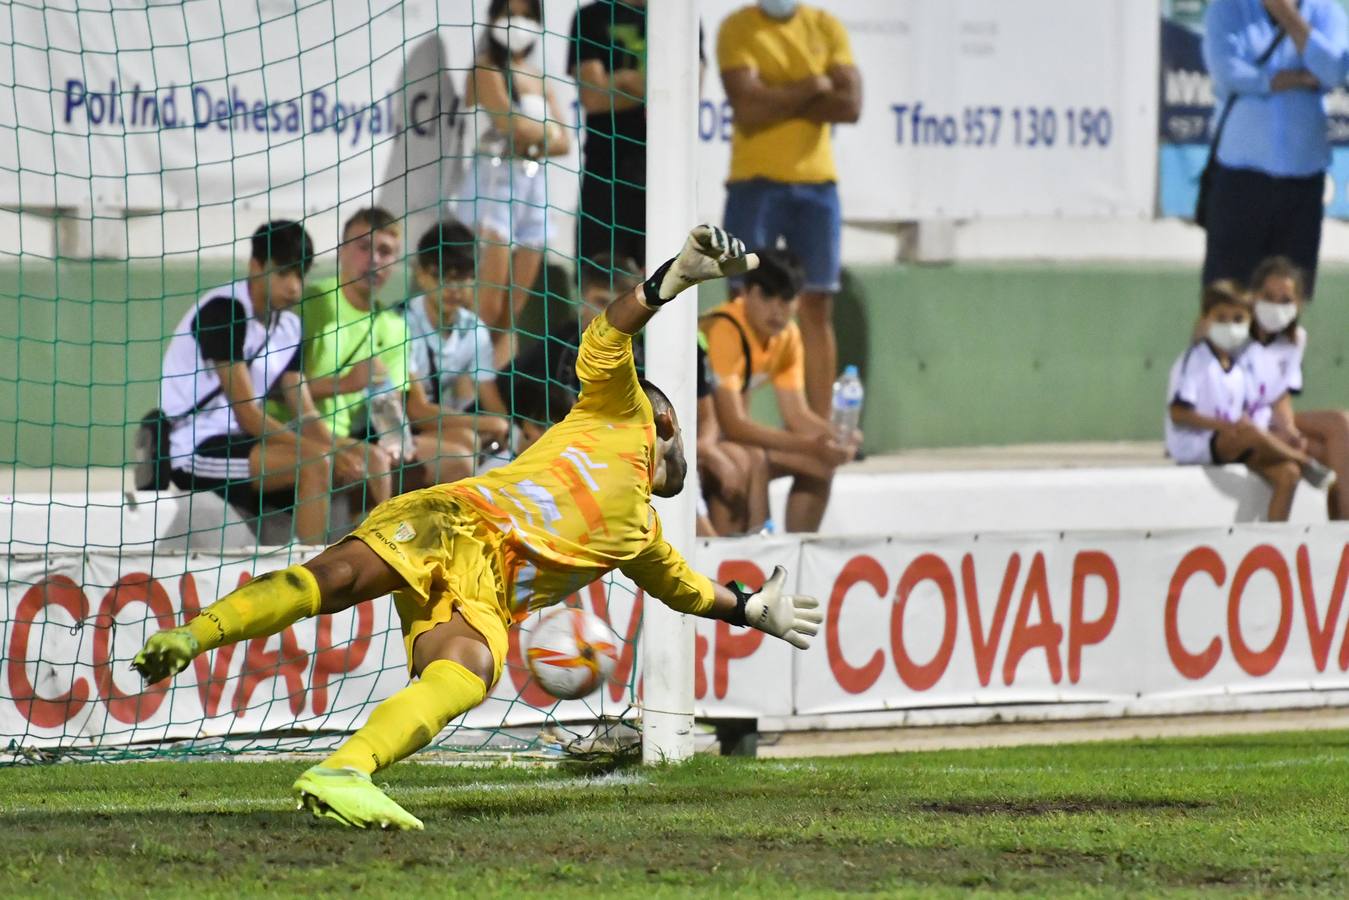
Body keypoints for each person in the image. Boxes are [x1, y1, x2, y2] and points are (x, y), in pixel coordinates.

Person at [132, 225, 823, 831]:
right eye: (684, 438)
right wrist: (670, 280)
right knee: (336, 578)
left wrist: (753, 607)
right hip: (457, 516)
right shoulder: (614, 410)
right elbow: (609, 332)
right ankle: (192, 636)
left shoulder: (640, 534)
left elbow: (688, 592)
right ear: (665, 422)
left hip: (483, 591)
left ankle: (345, 770)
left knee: (466, 670)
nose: (686, 458)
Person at [159, 221, 364, 544]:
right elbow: (247, 415)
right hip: (196, 445)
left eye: (300, 274)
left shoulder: (290, 327)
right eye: (283, 273)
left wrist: (339, 448)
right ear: (256, 266)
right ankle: (311, 578)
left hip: (246, 445)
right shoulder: (224, 311)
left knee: (372, 460)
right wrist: (323, 451)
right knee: (314, 463)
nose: (294, 287)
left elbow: (305, 411)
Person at [718, 0, 862, 417]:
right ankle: (736, 421)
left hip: (817, 186)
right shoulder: (738, 27)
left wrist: (773, 96)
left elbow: (850, 104)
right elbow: (747, 108)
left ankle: (818, 425)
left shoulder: (825, 27)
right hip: (753, 182)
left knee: (816, 307)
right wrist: (811, 87)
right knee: (744, 302)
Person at [701, 249, 856, 533]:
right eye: (767, 296)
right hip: (697, 441)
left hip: (724, 439)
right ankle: (746, 555)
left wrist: (836, 436)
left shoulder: (787, 336)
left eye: (786, 299)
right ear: (744, 293)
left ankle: (797, 553)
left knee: (821, 464)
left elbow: (797, 414)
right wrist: (811, 444)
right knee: (748, 460)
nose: (777, 310)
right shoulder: (725, 329)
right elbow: (734, 425)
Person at [1201, 0, 1348, 296]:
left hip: (1302, 177)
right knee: (1227, 295)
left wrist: (1289, 17)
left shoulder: (1325, 10)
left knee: (1286, 298)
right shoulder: (1229, 8)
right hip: (1241, 175)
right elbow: (1224, 68)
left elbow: (1334, 70)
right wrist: (1281, 80)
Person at [457, 0, 571, 367]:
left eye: (527, 16)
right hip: (494, 184)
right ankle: (468, 390)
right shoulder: (485, 69)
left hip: (533, 188)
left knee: (512, 310)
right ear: (492, 20)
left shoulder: (537, 76)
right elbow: (510, 124)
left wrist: (534, 138)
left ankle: (502, 399)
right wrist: (543, 135)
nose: (518, 24)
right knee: (486, 308)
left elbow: (565, 142)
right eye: (509, 15)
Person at [1165, 280, 1323, 522]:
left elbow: (1257, 409)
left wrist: (1284, 432)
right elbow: (1178, 413)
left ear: (1249, 321)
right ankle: (1304, 462)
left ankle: (1274, 544)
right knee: (1249, 430)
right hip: (1196, 444)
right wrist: (1225, 427)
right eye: (1221, 318)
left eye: (1238, 319)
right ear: (1206, 319)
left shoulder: (1240, 367)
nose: (1230, 326)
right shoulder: (1195, 360)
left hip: (1233, 440)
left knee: (1288, 474)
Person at [296, 208, 407, 507]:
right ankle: (376, 549)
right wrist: (345, 383)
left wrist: (399, 440)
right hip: (292, 430)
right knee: (373, 461)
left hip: (351, 438)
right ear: (342, 251)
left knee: (451, 459)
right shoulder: (310, 304)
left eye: (385, 251)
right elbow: (273, 390)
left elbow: (389, 404)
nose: (374, 259)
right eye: (363, 247)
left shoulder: (394, 327)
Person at [403, 219, 510, 485]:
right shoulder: (402, 324)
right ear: (422, 274)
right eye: (443, 277)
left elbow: (492, 402)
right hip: (385, 430)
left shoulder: (473, 329)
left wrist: (502, 426)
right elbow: (416, 410)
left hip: (428, 429)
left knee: (475, 442)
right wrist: (490, 425)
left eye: (462, 279)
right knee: (464, 451)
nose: (453, 289)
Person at [1242, 256, 1342, 514]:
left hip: (1273, 419)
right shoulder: (1237, 336)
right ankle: (1342, 513)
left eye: (1285, 300)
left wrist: (1289, 429)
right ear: (1253, 296)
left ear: (1298, 305)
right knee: (1319, 451)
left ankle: (1343, 512)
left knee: (1340, 423)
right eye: (1268, 296)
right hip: (1244, 424)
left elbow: (1281, 394)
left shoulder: (1295, 339)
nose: (1276, 306)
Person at [568, 0, 649, 271]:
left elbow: (686, 95)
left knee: (662, 288)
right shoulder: (591, 17)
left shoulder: (679, 21)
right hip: (605, 176)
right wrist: (651, 87)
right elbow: (593, 96)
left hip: (662, 179)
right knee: (599, 284)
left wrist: (620, 81)